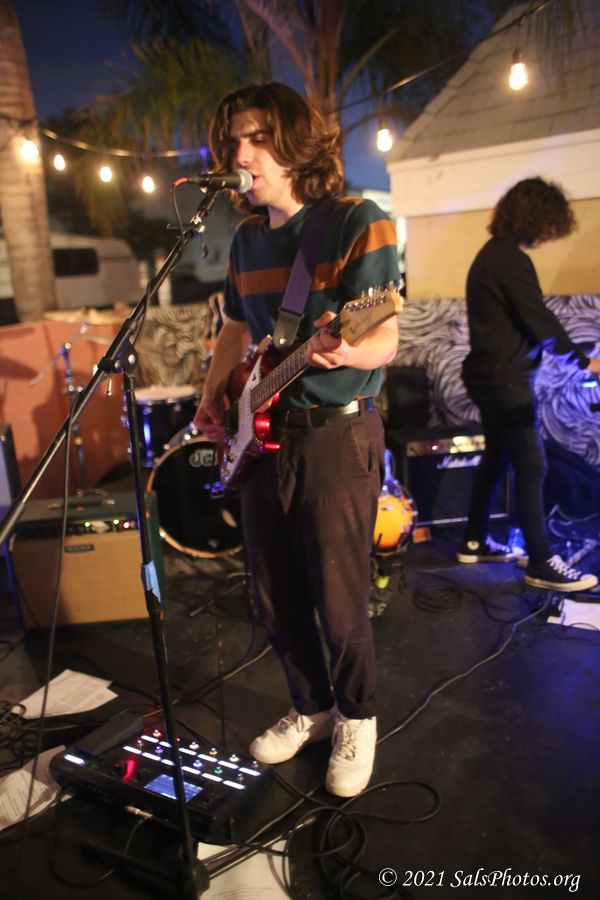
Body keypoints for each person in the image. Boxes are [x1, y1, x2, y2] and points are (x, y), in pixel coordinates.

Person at [192, 82, 400, 797]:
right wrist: (214, 397)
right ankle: (312, 707)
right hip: (262, 436)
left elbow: (384, 333)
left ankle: (358, 716)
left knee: (339, 598)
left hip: (334, 436)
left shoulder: (356, 222)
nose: (239, 154)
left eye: (255, 138)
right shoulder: (246, 240)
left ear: (295, 145)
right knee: (273, 595)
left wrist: (346, 350)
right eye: (233, 142)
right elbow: (237, 329)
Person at [457, 177, 600, 591]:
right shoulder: (509, 259)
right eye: (550, 224)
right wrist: (586, 362)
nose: (552, 233)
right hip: (505, 381)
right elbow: (538, 319)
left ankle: (473, 540)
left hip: (490, 377)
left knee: (497, 458)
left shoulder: (493, 255)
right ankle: (541, 562)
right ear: (534, 218)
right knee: (532, 463)